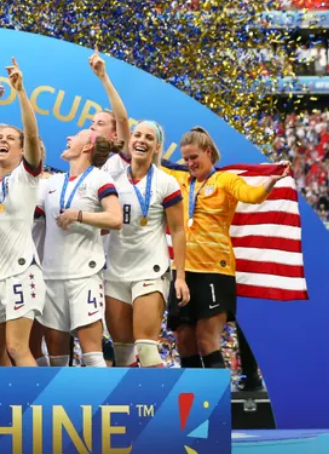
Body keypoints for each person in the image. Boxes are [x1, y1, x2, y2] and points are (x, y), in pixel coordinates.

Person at [163, 127, 291, 369]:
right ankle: (196, 403)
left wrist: (270, 183)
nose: (190, 163)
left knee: (206, 340)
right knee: (183, 340)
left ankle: (217, 406)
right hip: (181, 271)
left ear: (208, 152)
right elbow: (144, 158)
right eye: (186, 159)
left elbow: (251, 195)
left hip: (215, 270)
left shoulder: (226, 180)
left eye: (194, 157)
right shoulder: (179, 179)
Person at [105, 121, 190, 368]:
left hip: (150, 270)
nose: (142, 140)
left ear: (157, 147)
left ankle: (163, 406)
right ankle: (129, 406)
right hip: (116, 272)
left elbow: (178, 230)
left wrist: (180, 277)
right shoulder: (111, 180)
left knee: (146, 349)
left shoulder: (166, 183)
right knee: (122, 354)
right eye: (138, 135)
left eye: (149, 138)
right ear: (130, 141)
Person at [36, 129, 122, 367]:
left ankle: (100, 402)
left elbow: (116, 219)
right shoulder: (51, 183)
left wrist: (79, 215)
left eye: (74, 136)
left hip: (84, 275)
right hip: (51, 276)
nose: (67, 137)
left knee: (92, 354)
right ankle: (59, 403)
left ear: (87, 147)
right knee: (56, 360)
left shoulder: (99, 179)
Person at [0, 58, 44, 367]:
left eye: (11, 139)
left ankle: (38, 412)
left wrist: (21, 92)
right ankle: (8, 411)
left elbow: (32, 135)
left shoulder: (26, 176)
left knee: (17, 348)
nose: (3, 141)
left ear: (21, 150)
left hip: (21, 271)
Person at [88, 47, 132, 180]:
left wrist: (103, 76)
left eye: (100, 123)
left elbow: (122, 119)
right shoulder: (84, 159)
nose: (92, 127)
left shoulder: (120, 159)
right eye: (92, 122)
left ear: (115, 135)